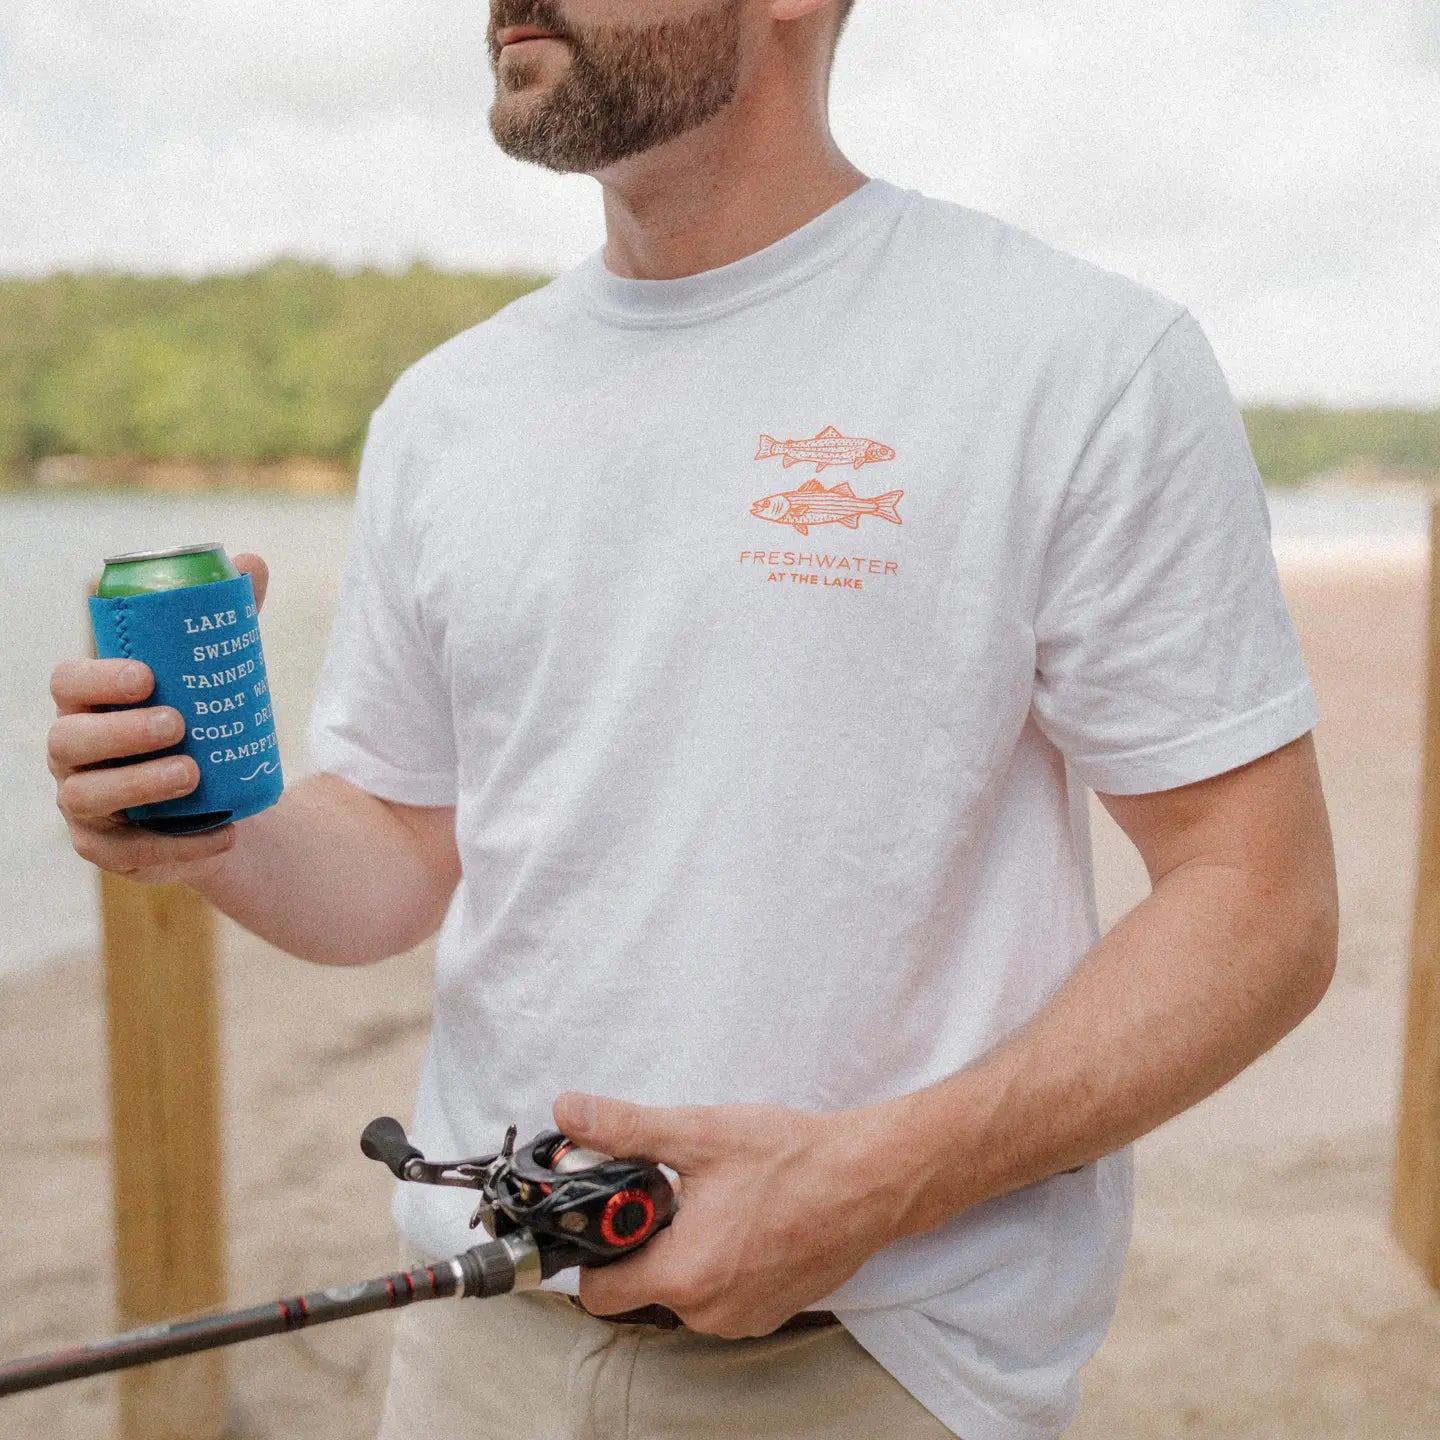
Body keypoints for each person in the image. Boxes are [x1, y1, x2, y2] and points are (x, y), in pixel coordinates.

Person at [48, 2, 1338, 1437]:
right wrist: (213, 831)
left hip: (878, 1368)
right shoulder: (445, 411)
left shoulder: (1083, 362)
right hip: (475, 1351)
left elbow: (1261, 903)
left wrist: (872, 1180)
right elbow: (402, 853)